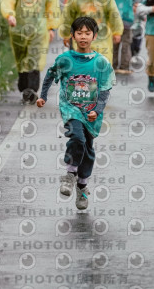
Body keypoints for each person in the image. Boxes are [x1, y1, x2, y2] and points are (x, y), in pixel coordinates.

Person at [36, 16, 115, 210]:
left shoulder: (101, 62)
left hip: (91, 114)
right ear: (72, 36)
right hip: (70, 109)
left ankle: (82, 187)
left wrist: (97, 110)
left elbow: (105, 90)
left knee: (88, 149)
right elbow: (50, 75)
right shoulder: (65, 60)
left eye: (87, 33)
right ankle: (70, 174)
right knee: (77, 139)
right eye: (79, 33)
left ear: (94, 36)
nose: (83, 37)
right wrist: (43, 96)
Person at [0, 0, 60, 104]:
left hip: (38, 28)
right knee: (21, 59)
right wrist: (9, 14)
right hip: (18, 28)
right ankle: (24, 88)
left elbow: (52, 5)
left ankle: (31, 90)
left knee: (33, 58)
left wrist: (51, 27)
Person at [59, 0, 124, 64]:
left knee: (101, 65)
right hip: (82, 38)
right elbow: (68, 17)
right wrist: (65, 34)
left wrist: (117, 32)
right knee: (84, 67)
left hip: (102, 36)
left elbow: (113, 13)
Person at [112, 0, 138, 74]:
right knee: (126, 44)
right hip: (128, 20)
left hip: (114, 20)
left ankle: (113, 65)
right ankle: (124, 66)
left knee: (114, 44)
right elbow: (136, 6)